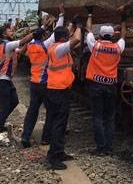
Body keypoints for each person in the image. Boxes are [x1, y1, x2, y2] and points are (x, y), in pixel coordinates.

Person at [20, 6, 65, 148]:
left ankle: (25, 136)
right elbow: (55, 34)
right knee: (51, 111)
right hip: (45, 83)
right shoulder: (45, 45)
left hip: (34, 83)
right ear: (43, 37)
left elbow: (38, 36)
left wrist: (42, 27)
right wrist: (62, 15)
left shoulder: (31, 46)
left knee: (32, 110)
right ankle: (46, 138)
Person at [85, 10, 126, 155]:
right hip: (111, 87)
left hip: (96, 86)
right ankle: (109, 147)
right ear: (112, 35)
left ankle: (100, 147)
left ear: (101, 35)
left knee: (97, 116)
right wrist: (123, 20)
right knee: (109, 117)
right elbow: (123, 37)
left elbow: (88, 29)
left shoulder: (95, 46)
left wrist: (90, 14)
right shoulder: (117, 48)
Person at [45, 25, 82, 170]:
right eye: (67, 35)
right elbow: (77, 38)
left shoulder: (56, 47)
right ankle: (54, 158)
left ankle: (58, 152)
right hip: (58, 91)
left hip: (59, 90)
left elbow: (71, 36)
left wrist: (71, 26)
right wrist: (79, 26)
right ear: (63, 38)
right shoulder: (59, 49)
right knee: (58, 125)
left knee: (60, 123)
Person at [0, 24, 34, 134]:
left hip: (5, 79)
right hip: (1, 80)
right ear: (4, 34)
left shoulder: (8, 46)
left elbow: (20, 51)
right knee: (5, 106)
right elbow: (21, 41)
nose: (12, 32)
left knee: (14, 101)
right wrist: (34, 33)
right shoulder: (7, 45)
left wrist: (28, 42)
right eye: (10, 31)